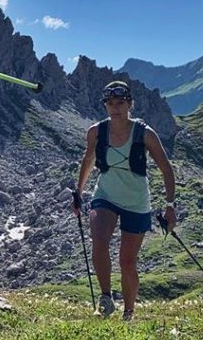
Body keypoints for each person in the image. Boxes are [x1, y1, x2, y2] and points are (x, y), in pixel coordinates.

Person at [71, 81, 176, 320]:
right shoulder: (96, 131)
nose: (115, 108)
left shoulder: (145, 133)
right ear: (105, 106)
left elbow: (166, 169)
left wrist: (170, 207)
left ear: (130, 104)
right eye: (110, 103)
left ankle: (129, 313)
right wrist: (79, 191)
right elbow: (88, 160)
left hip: (136, 202)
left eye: (120, 103)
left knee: (127, 261)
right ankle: (106, 298)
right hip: (105, 195)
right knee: (99, 239)